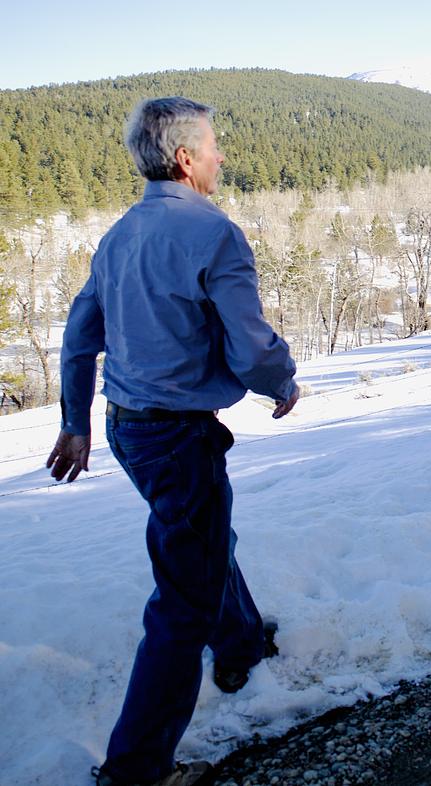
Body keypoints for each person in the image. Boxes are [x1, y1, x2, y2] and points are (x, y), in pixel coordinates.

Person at [46, 97, 299, 786]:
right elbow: (250, 347)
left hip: (128, 428)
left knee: (203, 537)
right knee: (183, 599)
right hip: (177, 435)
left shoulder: (119, 235)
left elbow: (79, 339)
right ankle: (136, 770)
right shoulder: (214, 234)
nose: (222, 156)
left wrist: (76, 422)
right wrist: (281, 380)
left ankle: (242, 642)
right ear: (186, 159)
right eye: (214, 145)